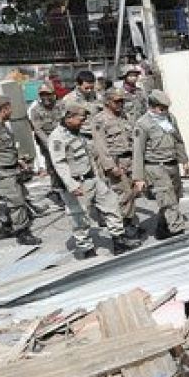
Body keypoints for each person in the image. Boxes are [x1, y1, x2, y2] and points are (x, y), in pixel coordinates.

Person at [50, 101, 141, 259]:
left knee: (112, 204)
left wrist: (99, 177)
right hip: (77, 183)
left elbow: (89, 156)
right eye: (81, 118)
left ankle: (119, 241)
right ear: (68, 118)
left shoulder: (76, 132)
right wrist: (71, 185)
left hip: (92, 179)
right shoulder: (57, 138)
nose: (83, 122)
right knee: (80, 217)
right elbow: (60, 164)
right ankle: (86, 249)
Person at [0, 97, 41, 245]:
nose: (11, 111)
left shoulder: (1, 125)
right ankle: (23, 233)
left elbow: (1, 149)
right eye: (10, 108)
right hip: (1, 172)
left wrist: (17, 161)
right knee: (16, 202)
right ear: (4, 109)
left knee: (13, 199)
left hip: (9, 169)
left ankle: (6, 227)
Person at [132, 90, 189, 239]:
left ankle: (163, 229)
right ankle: (179, 233)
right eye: (161, 108)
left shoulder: (170, 119)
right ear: (152, 106)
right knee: (168, 201)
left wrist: (184, 161)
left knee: (174, 198)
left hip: (172, 164)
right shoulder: (143, 124)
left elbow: (178, 140)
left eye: (166, 108)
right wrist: (138, 178)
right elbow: (138, 152)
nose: (164, 111)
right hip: (156, 167)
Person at [92, 88, 143, 240]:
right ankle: (123, 228)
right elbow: (100, 146)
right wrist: (110, 166)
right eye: (117, 101)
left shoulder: (123, 116)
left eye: (122, 100)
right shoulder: (100, 120)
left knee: (132, 193)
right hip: (116, 162)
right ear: (108, 101)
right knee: (122, 195)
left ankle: (129, 223)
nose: (120, 104)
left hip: (129, 160)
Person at [28, 85, 65, 206]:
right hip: (47, 142)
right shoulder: (35, 110)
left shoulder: (61, 105)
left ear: (53, 94)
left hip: (64, 139)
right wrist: (51, 144)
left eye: (48, 94)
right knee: (53, 167)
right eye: (42, 95)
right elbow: (38, 130)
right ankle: (57, 191)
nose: (45, 97)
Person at [60, 71, 104, 138]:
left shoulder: (98, 96)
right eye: (86, 88)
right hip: (80, 135)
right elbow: (64, 122)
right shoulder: (69, 99)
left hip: (97, 134)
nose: (89, 90)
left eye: (91, 88)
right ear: (78, 85)